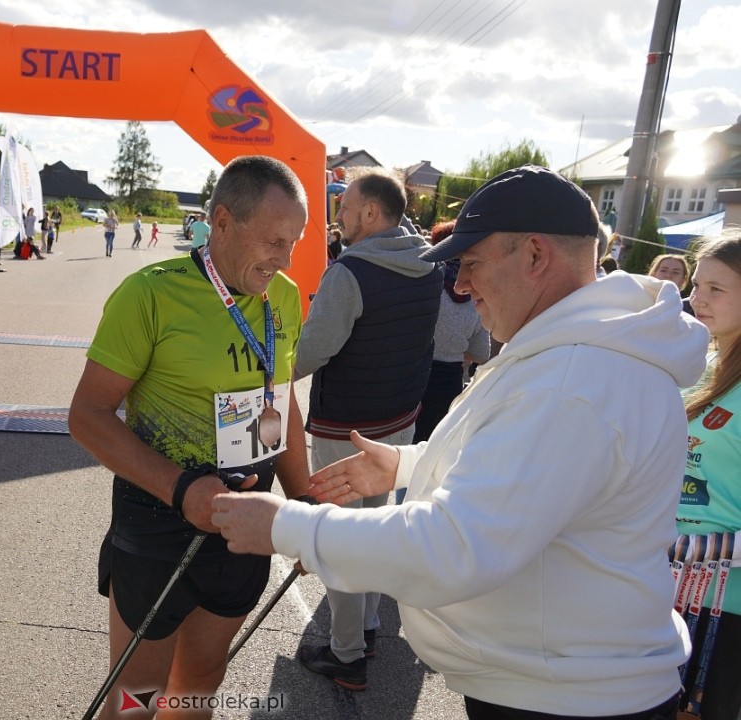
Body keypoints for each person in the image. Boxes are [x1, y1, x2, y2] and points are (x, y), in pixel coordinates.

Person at [212, 165, 711, 720]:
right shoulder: (575, 355)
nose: (462, 285)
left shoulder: (573, 381)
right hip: (557, 678)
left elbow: (456, 548)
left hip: (562, 696)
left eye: (470, 264)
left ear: (535, 256)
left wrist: (285, 526)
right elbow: (511, 460)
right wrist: (406, 464)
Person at [69, 156, 312, 719]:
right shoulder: (150, 295)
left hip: (243, 519)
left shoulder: (284, 297)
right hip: (159, 519)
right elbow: (87, 416)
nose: (286, 258)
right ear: (222, 223)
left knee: (201, 678)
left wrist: (304, 508)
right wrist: (183, 491)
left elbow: (283, 402)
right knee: (139, 694)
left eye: (294, 241)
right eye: (274, 241)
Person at [292, 167, 442, 690]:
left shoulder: (350, 272)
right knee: (378, 528)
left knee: (338, 538)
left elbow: (311, 352)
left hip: (345, 427)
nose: (339, 215)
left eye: (345, 206)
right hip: (400, 419)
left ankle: (347, 652)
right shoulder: (430, 266)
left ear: (371, 213)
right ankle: (370, 627)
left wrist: (259, 373)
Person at [675, 229, 741, 720]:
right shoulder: (700, 361)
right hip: (659, 591)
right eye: (697, 285)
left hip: (726, 610)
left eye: (716, 289)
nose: (697, 299)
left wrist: (690, 549)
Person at [410, 220, 491, 447]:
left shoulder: (424, 288)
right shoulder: (475, 296)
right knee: (437, 446)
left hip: (414, 376)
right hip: (450, 381)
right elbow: (481, 352)